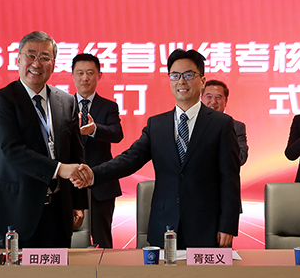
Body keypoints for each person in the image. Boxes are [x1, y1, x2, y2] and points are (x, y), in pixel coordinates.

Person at [74, 49, 240, 249]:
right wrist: (93, 174)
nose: (181, 81)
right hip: (164, 224)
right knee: (163, 271)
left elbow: (230, 178)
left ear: (202, 80)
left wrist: (228, 224)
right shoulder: (157, 125)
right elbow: (130, 159)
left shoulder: (221, 124)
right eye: (175, 75)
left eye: (188, 75)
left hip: (207, 225)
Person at [0, 31, 88, 248]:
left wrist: (78, 202)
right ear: (18, 60)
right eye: (30, 55)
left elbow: (75, 153)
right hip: (16, 212)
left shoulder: (67, 101)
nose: (36, 63)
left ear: (53, 64)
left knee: (57, 269)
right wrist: (59, 169)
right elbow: (10, 149)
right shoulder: (2, 100)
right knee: (18, 271)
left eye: (44, 57)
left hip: (58, 213)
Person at [72, 53, 124, 248]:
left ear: (99, 75)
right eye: (80, 73)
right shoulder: (62, 105)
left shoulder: (109, 106)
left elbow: (117, 134)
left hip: (101, 184)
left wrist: (95, 130)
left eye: (90, 73)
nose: (85, 78)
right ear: (73, 75)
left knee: (102, 239)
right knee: (68, 239)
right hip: (71, 182)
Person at [202, 79, 248, 166]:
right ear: (201, 99)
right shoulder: (191, 124)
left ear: (225, 101)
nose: (213, 102)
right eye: (208, 96)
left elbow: (241, 158)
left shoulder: (236, 126)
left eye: (218, 97)